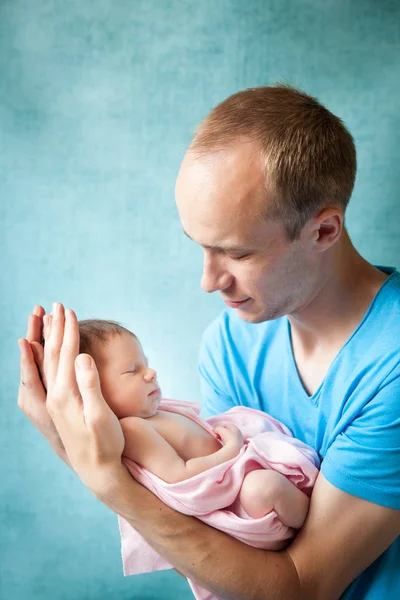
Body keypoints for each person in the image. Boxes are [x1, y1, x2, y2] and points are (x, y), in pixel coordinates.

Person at [18, 84, 400, 600]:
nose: (208, 280)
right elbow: (222, 555)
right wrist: (105, 447)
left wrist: (106, 479)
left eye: (236, 253)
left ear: (325, 230)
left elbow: (301, 587)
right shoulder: (229, 344)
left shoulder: (391, 362)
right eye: (200, 247)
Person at [37, 316, 311, 529]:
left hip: (237, 471)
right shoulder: (133, 429)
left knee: (269, 475)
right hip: (238, 498)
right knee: (264, 488)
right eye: (133, 370)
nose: (151, 373)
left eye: (146, 363)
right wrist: (232, 448)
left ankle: (315, 508)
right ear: (94, 391)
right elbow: (180, 474)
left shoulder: (152, 414)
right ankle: (312, 525)